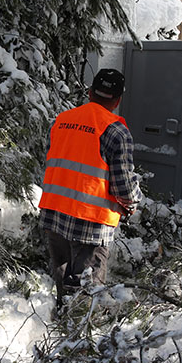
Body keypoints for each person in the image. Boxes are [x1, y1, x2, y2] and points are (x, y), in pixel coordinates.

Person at [38, 68, 142, 305]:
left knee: (64, 285)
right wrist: (133, 201)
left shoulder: (60, 122)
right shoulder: (116, 132)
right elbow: (124, 188)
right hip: (91, 224)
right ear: (117, 101)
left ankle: (61, 330)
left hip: (55, 215)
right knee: (86, 291)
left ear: (89, 92)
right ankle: (78, 337)